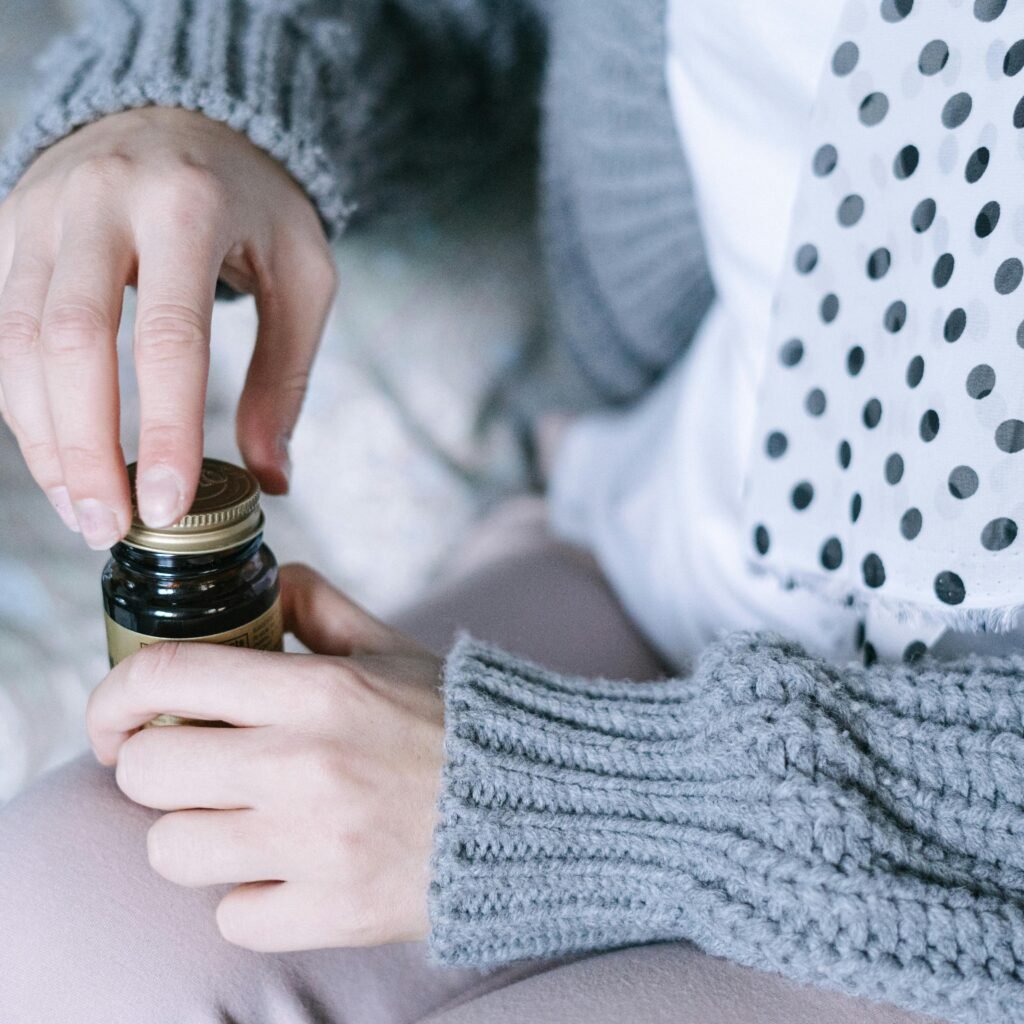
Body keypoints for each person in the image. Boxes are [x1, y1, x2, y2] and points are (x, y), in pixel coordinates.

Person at [1, 1, 1023, 1021]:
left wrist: (580, 797)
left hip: (970, 855)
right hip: (675, 558)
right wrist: (200, 98)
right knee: (68, 917)